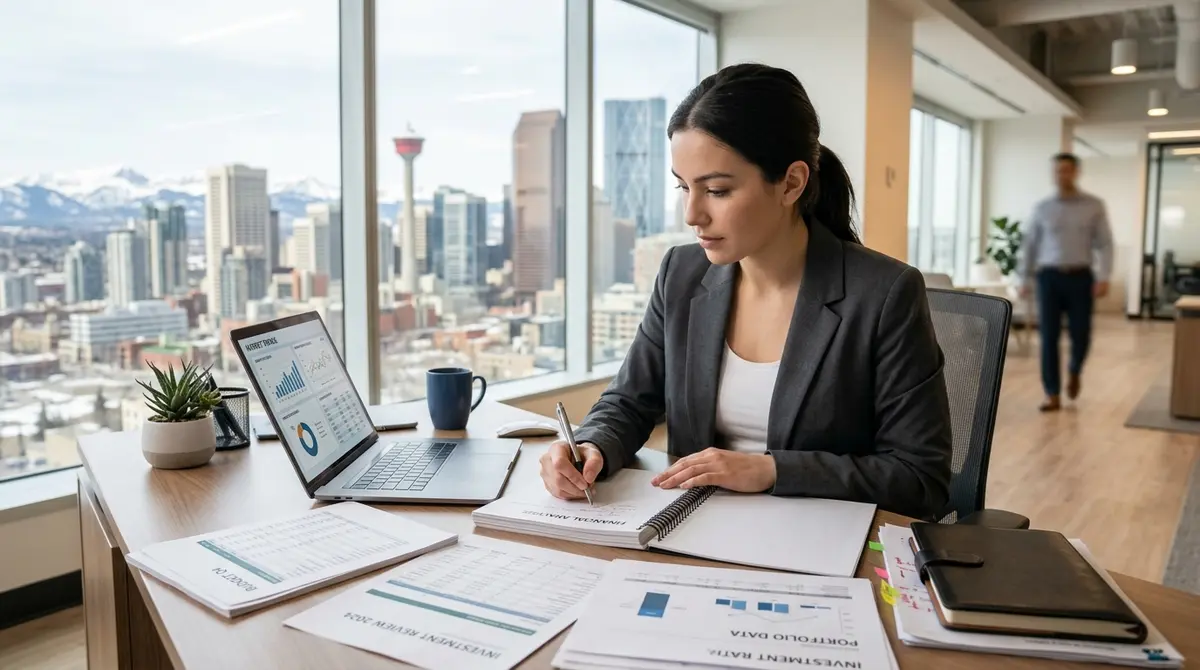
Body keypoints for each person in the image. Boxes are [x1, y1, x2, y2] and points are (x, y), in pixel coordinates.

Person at [538, 63, 953, 520]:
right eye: (683, 187)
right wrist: (590, 444)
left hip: (818, 544)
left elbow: (920, 479)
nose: (692, 214)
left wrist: (772, 470)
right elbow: (629, 401)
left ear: (791, 183)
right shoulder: (681, 271)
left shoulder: (884, 294)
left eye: (716, 190)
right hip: (694, 529)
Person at [1017, 153, 1114, 412]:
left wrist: (1104, 277)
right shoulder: (1042, 208)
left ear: (1076, 172)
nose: (1062, 175)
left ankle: (1074, 370)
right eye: (1057, 171)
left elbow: (1105, 244)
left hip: (1081, 277)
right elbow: (1030, 246)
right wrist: (1024, 278)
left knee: (1081, 333)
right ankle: (1052, 393)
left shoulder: (1093, 206)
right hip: (1049, 278)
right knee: (1048, 337)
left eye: (1067, 170)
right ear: (1053, 174)